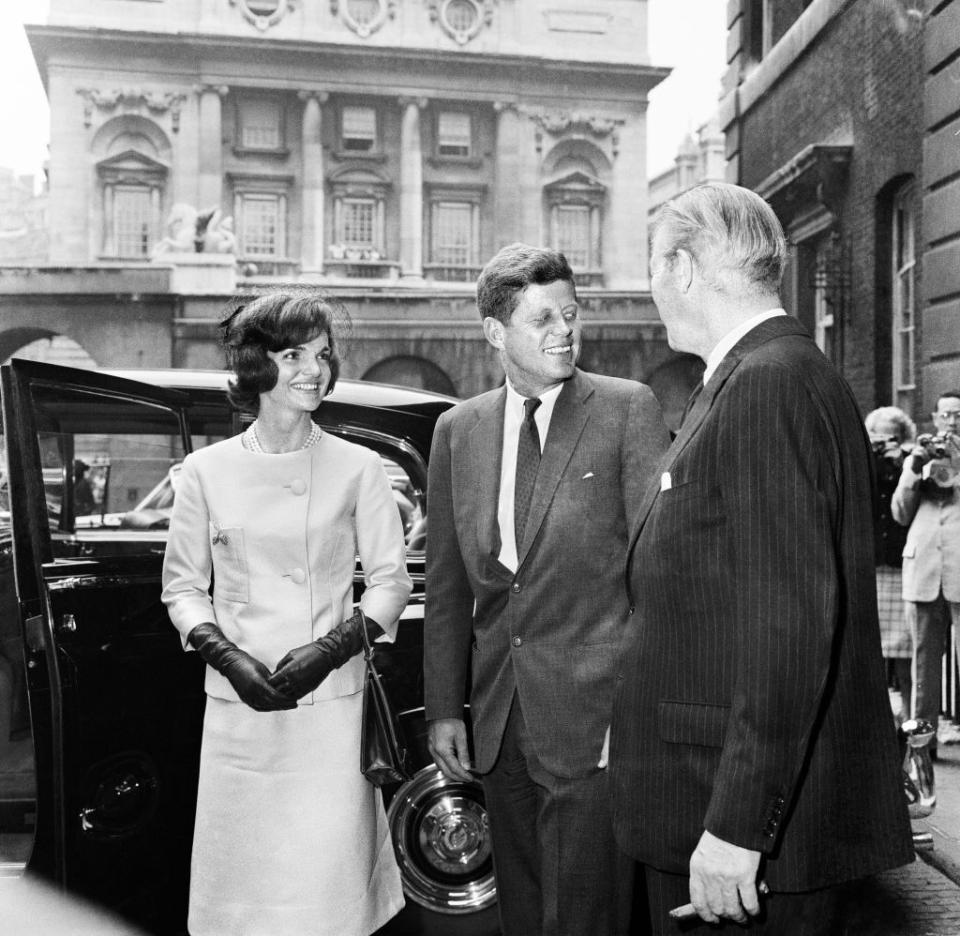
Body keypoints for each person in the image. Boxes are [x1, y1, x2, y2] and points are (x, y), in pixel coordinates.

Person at [610, 182, 913, 935]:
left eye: (653, 267)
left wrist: (740, 825)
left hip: (733, 828)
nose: (652, 289)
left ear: (682, 268)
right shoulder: (765, 374)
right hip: (714, 802)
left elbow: (789, 626)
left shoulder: (767, 384)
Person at [423, 243, 670, 936]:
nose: (566, 330)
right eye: (544, 319)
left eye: (571, 313)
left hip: (595, 722)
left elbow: (655, 574)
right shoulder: (458, 430)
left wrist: (634, 713)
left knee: (589, 918)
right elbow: (447, 585)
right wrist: (446, 706)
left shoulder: (627, 410)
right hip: (499, 720)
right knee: (523, 914)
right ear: (496, 332)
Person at [161, 291, 412, 936]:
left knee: (327, 896)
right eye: (294, 354)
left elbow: (391, 582)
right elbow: (182, 588)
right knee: (246, 898)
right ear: (256, 366)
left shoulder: (359, 468)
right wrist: (227, 656)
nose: (315, 370)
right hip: (240, 713)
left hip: (328, 709)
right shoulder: (205, 472)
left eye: (323, 355)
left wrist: (329, 651)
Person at [892, 390, 960, 748]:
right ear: (934, 419)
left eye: (958, 415)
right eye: (945, 415)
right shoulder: (917, 458)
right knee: (923, 664)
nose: (951, 422)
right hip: (923, 567)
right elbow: (900, 513)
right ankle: (922, 747)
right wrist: (913, 470)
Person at [866, 405, 916, 718]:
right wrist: (872, 455)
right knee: (870, 654)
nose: (885, 443)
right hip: (872, 565)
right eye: (878, 437)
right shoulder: (863, 463)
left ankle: (910, 720)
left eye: (891, 438)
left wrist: (901, 461)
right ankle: (876, 719)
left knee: (906, 653)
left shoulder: (909, 463)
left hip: (900, 566)